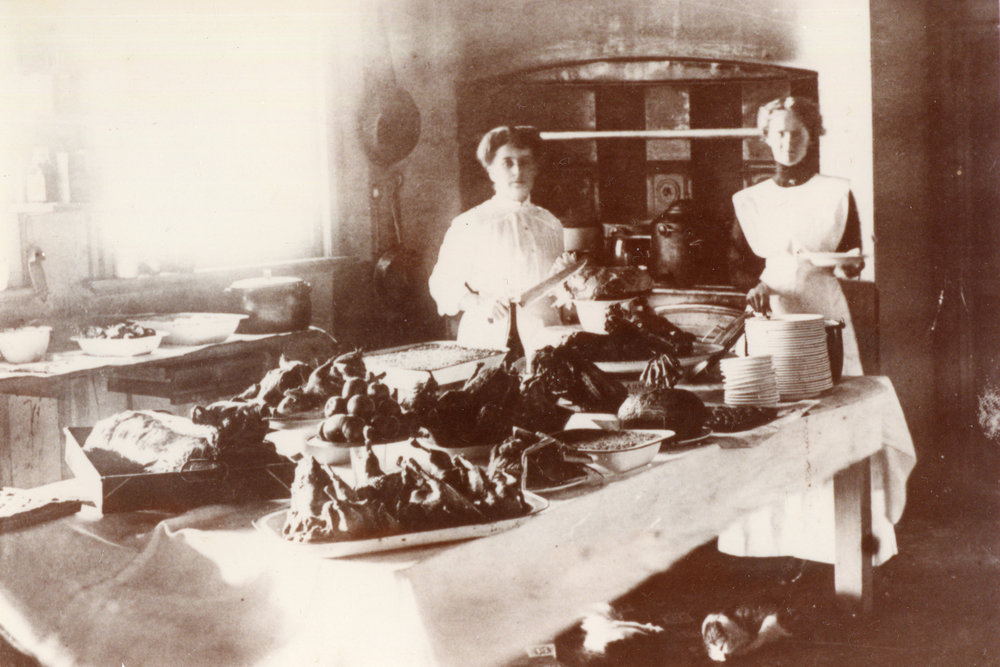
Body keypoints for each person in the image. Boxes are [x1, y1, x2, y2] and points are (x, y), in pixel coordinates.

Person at [720, 96, 904, 567]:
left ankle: (834, 540)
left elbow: (851, 256)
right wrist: (755, 287)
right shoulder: (751, 199)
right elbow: (737, 264)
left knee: (831, 414)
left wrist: (848, 266)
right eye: (779, 133)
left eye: (797, 133)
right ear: (766, 138)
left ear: (813, 136)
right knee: (772, 418)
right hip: (771, 312)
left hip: (825, 308)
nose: (788, 142)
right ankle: (771, 544)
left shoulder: (836, 192)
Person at [428, 126, 563, 349]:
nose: (517, 171)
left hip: (545, 337)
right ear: (491, 171)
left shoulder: (551, 223)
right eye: (507, 163)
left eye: (525, 162)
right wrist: (478, 303)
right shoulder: (471, 222)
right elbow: (442, 282)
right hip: (489, 335)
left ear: (535, 168)